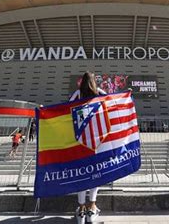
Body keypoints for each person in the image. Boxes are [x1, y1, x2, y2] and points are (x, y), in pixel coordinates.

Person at [69, 71, 106, 224]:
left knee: (82, 175)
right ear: (94, 81)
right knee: (95, 173)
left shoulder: (77, 94)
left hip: (80, 140)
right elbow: (114, 101)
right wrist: (128, 94)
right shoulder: (100, 92)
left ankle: (82, 210)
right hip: (97, 140)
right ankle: (92, 207)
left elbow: (65, 109)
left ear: (82, 82)